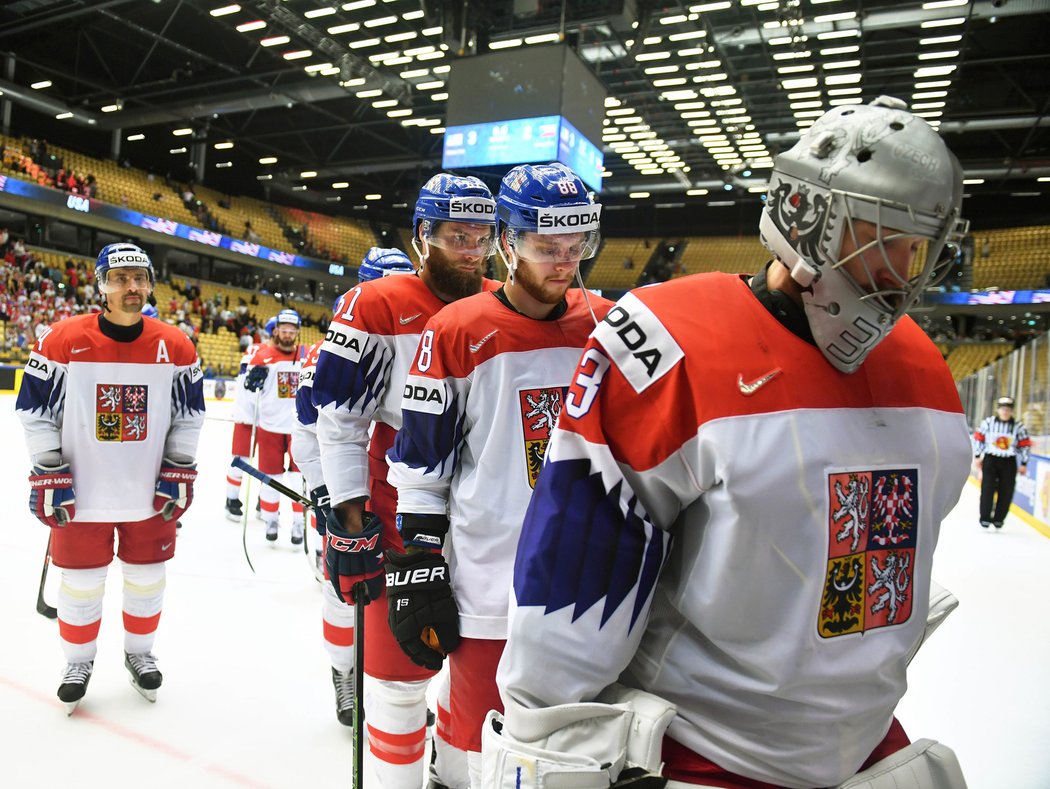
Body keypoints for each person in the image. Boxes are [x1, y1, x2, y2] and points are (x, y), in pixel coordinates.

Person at [488, 97, 973, 789]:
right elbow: (576, 581)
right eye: (881, 237)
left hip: (866, 746)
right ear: (809, 217)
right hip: (704, 755)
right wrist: (547, 737)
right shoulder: (668, 342)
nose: (904, 270)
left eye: (920, 246)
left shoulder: (926, 368)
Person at [385, 163, 610, 788]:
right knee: (471, 748)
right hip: (488, 582)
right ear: (508, 244)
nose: (564, 264)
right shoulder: (456, 331)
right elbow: (423, 465)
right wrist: (420, 563)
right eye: (545, 248)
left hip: (585, 581)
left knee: (574, 746)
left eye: (575, 248)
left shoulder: (610, 328)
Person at [313, 175, 498, 789]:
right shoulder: (376, 304)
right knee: (396, 680)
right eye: (456, 235)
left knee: (478, 682)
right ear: (423, 235)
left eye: (482, 237)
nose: (472, 250)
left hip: (489, 518)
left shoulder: (506, 300)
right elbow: (339, 424)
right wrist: (349, 517)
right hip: (398, 509)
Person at [16, 242, 204, 713]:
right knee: (80, 585)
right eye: (120, 279)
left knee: (147, 580)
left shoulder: (176, 345)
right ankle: (77, 662)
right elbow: (34, 412)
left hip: (148, 495)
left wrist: (179, 467)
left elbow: (190, 416)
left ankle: (140, 655)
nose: (132, 287)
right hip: (83, 496)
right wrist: (49, 470)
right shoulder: (59, 340)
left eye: (140, 278)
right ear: (101, 286)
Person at [291, 246, 416, 726]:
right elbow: (308, 434)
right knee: (342, 590)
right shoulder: (328, 355)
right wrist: (330, 495)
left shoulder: (431, 341)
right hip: (349, 503)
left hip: (406, 495)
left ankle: (397, 683)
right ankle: (344, 672)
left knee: (407, 593)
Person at [243, 309, 305, 543]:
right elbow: (250, 394)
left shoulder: (305, 355)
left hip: (299, 428)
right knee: (271, 476)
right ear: (276, 330)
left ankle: (299, 524)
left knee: (299, 479)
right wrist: (252, 386)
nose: (288, 334)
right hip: (269, 426)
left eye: (292, 330)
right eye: (284, 330)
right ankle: (271, 519)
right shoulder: (262, 356)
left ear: (297, 332)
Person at [223, 321, 269, 520]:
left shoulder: (254, 350)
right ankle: (235, 499)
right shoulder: (264, 352)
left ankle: (239, 499)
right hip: (252, 415)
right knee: (247, 461)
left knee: (261, 462)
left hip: (254, 415)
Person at [974, 395, 1031, 529]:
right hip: (991, 460)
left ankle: (999, 519)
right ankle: (985, 518)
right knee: (987, 489)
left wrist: (1024, 463)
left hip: (1008, 462)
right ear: (998, 410)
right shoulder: (988, 423)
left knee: (1006, 491)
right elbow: (979, 439)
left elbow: (1025, 445)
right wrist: (977, 456)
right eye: (1003, 409)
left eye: (1008, 409)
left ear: (1012, 411)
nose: (1005, 411)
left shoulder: (1019, 427)